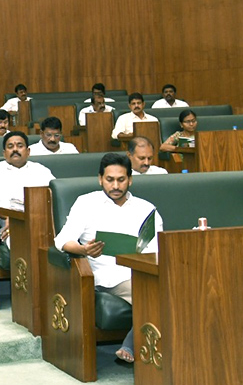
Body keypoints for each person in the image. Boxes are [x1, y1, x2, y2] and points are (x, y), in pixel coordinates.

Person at [54, 153, 163, 363]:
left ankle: (135, 346)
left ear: (130, 180)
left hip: (143, 270)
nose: (115, 185)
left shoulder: (146, 208)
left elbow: (157, 247)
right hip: (107, 274)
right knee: (157, 292)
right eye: (109, 179)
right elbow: (62, 241)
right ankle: (134, 346)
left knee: (167, 287)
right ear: (100, 179)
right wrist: (84, 249)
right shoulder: (86, 203)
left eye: (121, 180)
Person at [0, 132, 54, 257]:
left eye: (19, 146)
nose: (15, 150)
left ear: (28, 151)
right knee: (25, 245)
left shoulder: (41, 170)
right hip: (10, 223)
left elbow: (53, 195)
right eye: (10, 146)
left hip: (41, 221)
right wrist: (9, 217)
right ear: (4, 153)